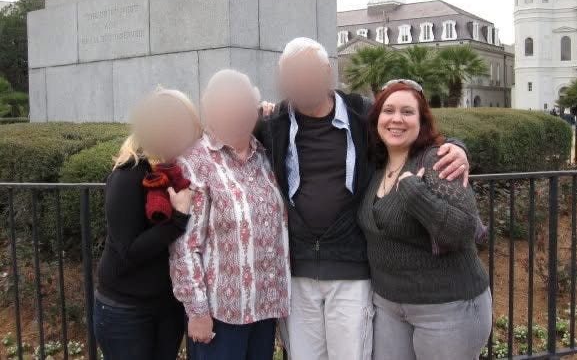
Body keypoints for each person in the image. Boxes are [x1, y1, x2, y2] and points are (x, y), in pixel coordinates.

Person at [255, 37, 471, 360]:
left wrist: (457, 147)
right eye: (291, 75)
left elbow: (409, 131)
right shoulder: (274, 124)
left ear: (327, 73)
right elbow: (226, 136)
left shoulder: (362, 114)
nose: (299, 82)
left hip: (351, 267)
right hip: (297, 269)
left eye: (307, 72)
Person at [357, 80, 492, 360]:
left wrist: (415, 194)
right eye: (388, 111)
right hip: (389, 306)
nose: (396, 119)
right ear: (377, 119)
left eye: (407, 112)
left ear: (421, 121)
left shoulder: (436, 160)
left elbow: (463, 231)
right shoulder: (375, 165)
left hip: (448, 307)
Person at [169, 70, 290, 360]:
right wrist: (197, 311)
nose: (236, 112)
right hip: (220, 315)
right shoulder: (195, 163)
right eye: (226, 105)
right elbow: (184, 246)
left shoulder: (264, 157)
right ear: (210, 111)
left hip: (265, 307)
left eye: (243, 104)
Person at [94, 88, 202, 360]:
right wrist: (178, 219)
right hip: (126, 309)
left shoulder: (178, 172)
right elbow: (128, 251)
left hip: (167, 304)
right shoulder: (129, 174)